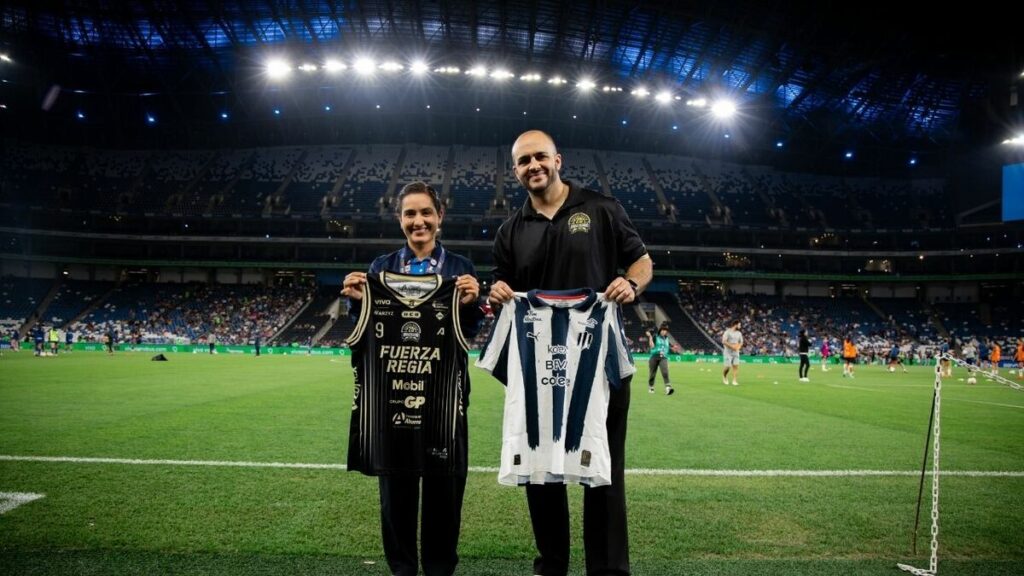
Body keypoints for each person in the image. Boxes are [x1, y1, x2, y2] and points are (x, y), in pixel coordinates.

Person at [486, 130, 652, 576]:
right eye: (523, 161)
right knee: (540, 466)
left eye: (540, 157)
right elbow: (498, 289)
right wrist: (496, 292)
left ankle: (608, 569)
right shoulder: (510, 229)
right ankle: (552, 564)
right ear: (515, 170)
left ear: (558, 159)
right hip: (538, 364)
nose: (533, 166)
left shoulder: (602, 208)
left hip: (599, 363)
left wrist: (631, 283)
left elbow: (643, 261)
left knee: (604, 467)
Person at [341, 181, 481, 576]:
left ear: (439, 218)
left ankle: (439, 569)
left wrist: (473, 300)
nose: (418, 221)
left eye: (425, 213)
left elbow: (465, 332)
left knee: (444, 489)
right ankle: (402, 569)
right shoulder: (380, 268)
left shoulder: (460, 268)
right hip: (391, 397)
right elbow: (366, 330)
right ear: (400, 219)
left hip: (444, 398)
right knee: (396, 491)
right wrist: (356, 300)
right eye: (409, 214)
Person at [646, 325, 675, 395]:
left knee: (665, 372)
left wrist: (672, 349)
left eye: (665, 330)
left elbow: (665, 347)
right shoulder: (655, 336)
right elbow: (652, 346)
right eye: (663, 330)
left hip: (663, 357)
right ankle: (651, 387)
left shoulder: (667, 338)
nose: (664, 331)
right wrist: (650, 337)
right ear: (660, 330)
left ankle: (668, 388)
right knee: (652, 374)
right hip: (654, 357)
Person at [722, 320, 743, 386]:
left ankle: (734, 380)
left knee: (735, 366)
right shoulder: (727, 332)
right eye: (739, 325)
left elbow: (741, 342)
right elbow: (724, 341)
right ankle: (724, 377)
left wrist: (738, 347)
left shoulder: (739, 333)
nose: (740, 326)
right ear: (735, 325)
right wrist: (732, 346)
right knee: (728, 366)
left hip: (736, 352)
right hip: (728, 352)